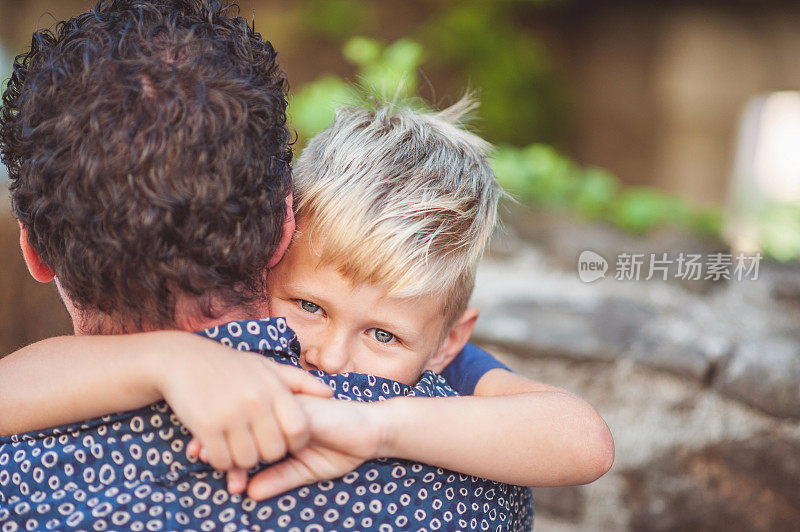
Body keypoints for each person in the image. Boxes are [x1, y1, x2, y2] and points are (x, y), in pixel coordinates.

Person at [0, 2, 610, 530]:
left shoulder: (31, 461)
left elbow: (585, 439)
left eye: (382, 334)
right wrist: (172, 359)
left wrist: (379, 428)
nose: (330, 356)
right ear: (280, 240)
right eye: (310, 307)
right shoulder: (471, 483)